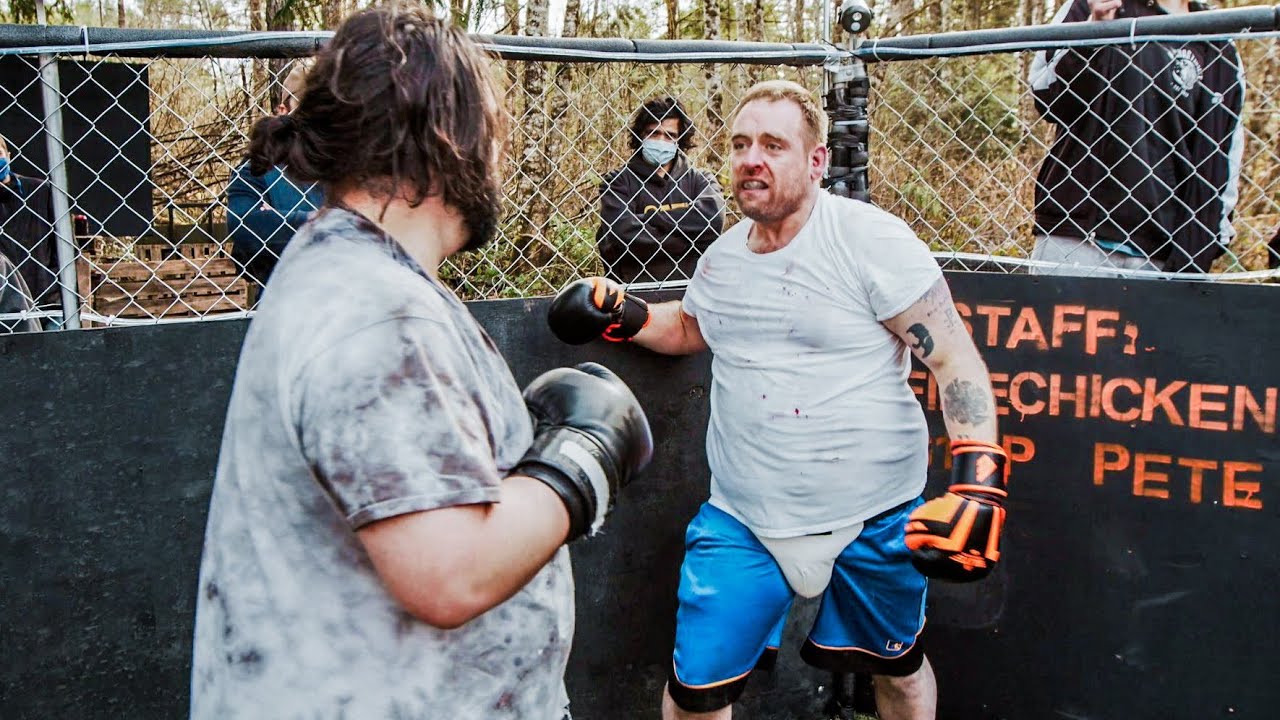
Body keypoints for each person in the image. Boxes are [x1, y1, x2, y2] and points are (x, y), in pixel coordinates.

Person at [189, 7, 653, 719]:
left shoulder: (347, 270)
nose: (499, 158)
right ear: (450, 138)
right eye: (493, 132)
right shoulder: (375, 310)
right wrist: (584, 456)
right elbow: (449, 574)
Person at [548, 80, 1009, 720]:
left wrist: (980, 482)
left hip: (874, 512)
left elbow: (951, 356)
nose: (750, 159)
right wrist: (623, 314)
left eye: (772, 144)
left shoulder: (871, 242)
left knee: (898, 673)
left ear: (816, 161)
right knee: (694, 696)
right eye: (740, 144)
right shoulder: (722, 259)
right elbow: (691, 328)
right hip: (745, 517)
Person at [1029, 0, 1245, 275]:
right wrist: (1092, 35)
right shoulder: (1096, 4)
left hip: (1161, 257)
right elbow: (1047, 95)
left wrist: (1199, 251)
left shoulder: (1218, 44)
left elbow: (1223, 159)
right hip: (1074, 240)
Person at [595, 96, 725, 284]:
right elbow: (622, 235)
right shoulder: (617, 182)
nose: (661, 140)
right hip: (635, 292)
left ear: (680, 139)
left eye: (670, 135)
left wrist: (649, 218)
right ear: (641, 135)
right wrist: (691, 240)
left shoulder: (700, 180)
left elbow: (713, 221)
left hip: (691, 290)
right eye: (654, 133)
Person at [226, 59, 324, 293]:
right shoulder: (256, 168)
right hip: (282, 304)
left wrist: (285, 222)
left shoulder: (351, 168)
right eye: (308, 110)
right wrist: (328, 222)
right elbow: (245, 230)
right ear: (283, 110)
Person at [0, 133, 59, 321]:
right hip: (6, 304)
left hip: (47, 300)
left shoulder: (41, 190)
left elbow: (63, 246)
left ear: (8, 155)